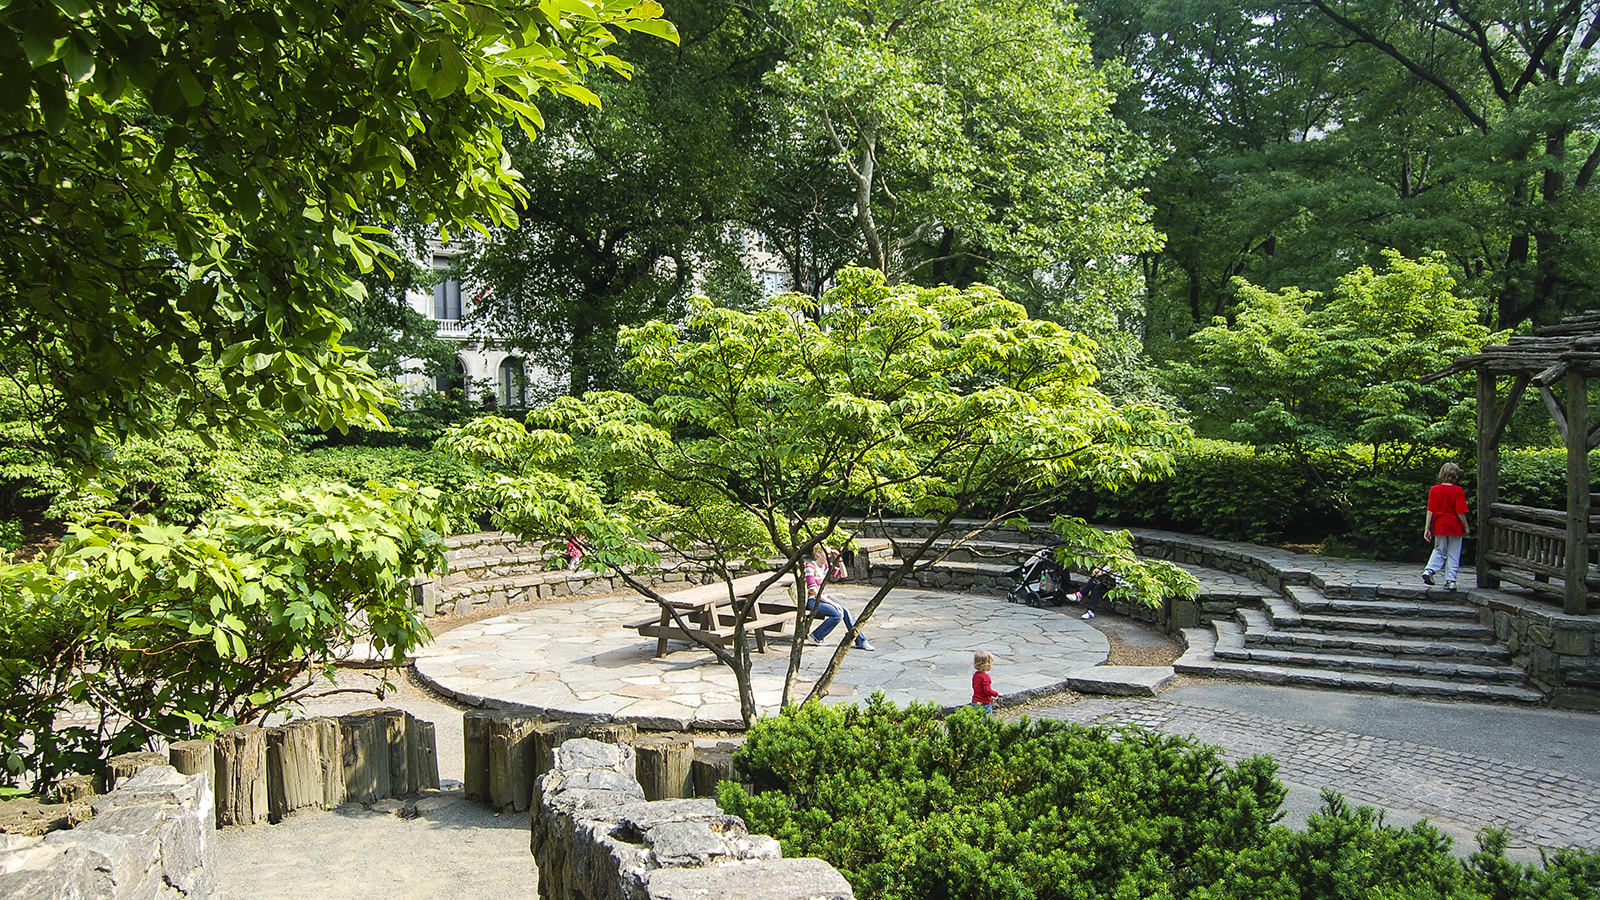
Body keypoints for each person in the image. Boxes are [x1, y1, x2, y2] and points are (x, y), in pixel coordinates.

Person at [803, 544, 874, 651]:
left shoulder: (825, 566)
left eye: (830, 554)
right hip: (812, 600)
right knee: (837, 614)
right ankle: (816, 636)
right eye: (827, 554)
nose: (829, 556)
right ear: (818, 553)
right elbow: (813, 590)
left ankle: (861, 641)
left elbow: (843, 575)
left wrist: (839, 559)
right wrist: (833, 603)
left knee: (845, 611)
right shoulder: (810, 567)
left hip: (823, 597)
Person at [1422, 461, 1471, 591]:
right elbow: (1460, 511)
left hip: (1440, 525)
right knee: (1453, 553)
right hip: (1454, 525)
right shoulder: (1458, 490)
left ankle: (1429, 570)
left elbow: (1430, 510)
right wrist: (1466, 527)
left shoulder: (1434, 490)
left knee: (1439, 549)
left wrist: (1427, 528)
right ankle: (1450, 581)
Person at [971, 650, 1000, 717]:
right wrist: (996, 694)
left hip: (975, 701)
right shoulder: (986, 677)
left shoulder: (975, 675)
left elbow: (977, 688)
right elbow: (987, 691)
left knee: (977, 718)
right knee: (988, 720)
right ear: (986, 665)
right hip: (984, 703)